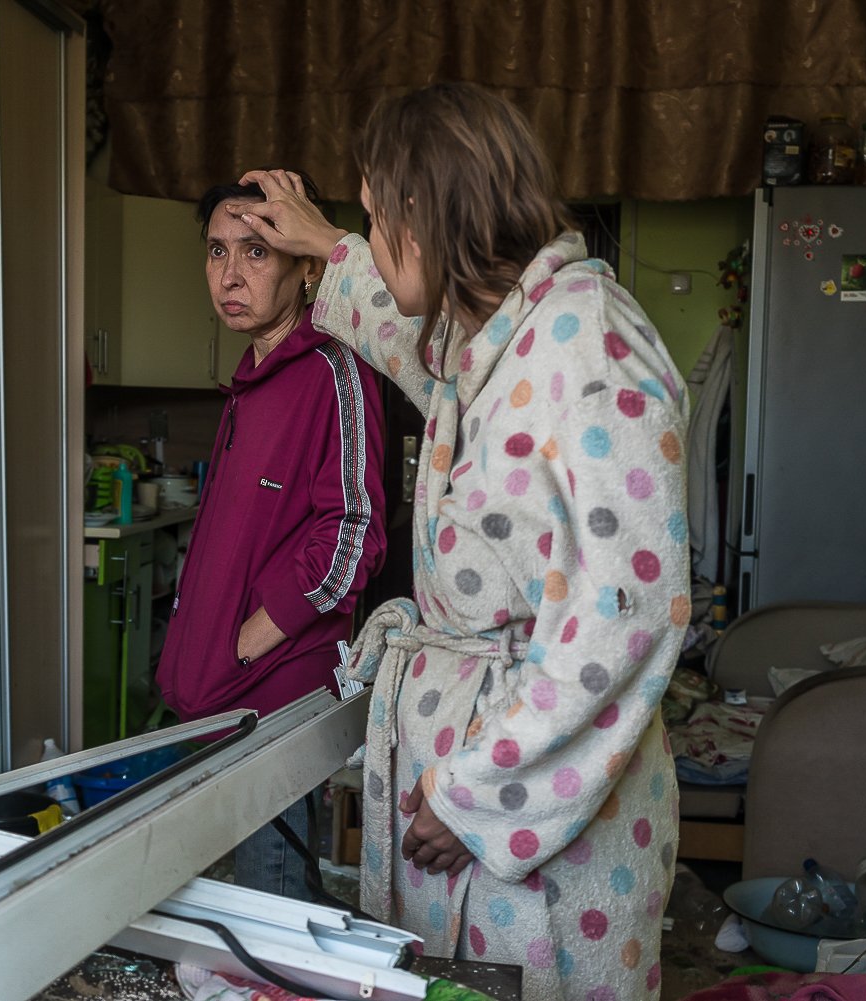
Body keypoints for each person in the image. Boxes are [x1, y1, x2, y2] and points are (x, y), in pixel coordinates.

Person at [231, 83, 689, 999]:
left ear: (420, 208)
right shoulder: (504, 336)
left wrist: (478, 792)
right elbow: (418, 345)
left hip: (534, 819)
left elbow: (622, 616)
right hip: (468, 781)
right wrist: (325, 242)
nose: (361, 226)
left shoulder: (591, 352)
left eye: (371, 210)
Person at [155, 174, 387, 901]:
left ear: (306, 265)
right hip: (226, 692)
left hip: (274, 695)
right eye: (218, 251)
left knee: (271, 897)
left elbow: (355, 529)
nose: (230, 273)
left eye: (257, 251)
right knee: (255, 899)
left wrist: (252, 636)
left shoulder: (333, 368)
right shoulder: (252, 376)